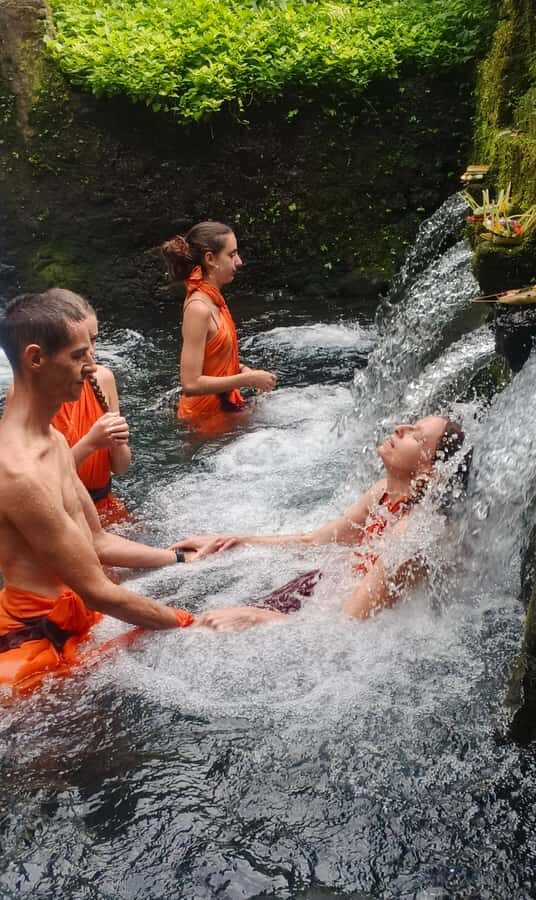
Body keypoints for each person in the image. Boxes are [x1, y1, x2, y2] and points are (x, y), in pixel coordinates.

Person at [0, 290, 228, 691]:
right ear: (35, 359)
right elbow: (99, 592)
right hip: (32, 640)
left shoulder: (53, 441)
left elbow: (98, 541)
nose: (91, 367)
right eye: (78, 356)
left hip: (81, 618)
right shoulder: (18, 473)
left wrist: (180, 557)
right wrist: (193, 624)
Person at [174, 415, 467, 629]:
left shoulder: (412, 532)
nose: (401, 428)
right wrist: (238, 541)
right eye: (411, 425)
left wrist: (254, 617)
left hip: (335, 627)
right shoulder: (383, 493)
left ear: (430, 473)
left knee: (199, 627)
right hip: (323, 594)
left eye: (416, 436)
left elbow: (348, 626)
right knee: (194, 621)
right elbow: (313, 541)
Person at [161, 221, 277, 434]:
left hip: (226, 410)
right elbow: (190, 383)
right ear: (210, 259)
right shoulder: (198, 308)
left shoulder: (214, 299)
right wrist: (248, 379)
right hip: (203, 422)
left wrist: (242, 369)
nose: (239, 262)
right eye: (232, 255)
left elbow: (213, 360)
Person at [50, 295, 131, 525]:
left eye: (94, 340)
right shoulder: (36, 394)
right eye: (82, 346)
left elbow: (121, 467)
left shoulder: (103, 379)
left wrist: (118, 442)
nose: (92, 352)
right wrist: (91, 443)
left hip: (104, 506)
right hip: (61, 516)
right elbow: (43, 480)